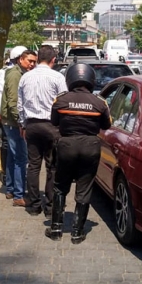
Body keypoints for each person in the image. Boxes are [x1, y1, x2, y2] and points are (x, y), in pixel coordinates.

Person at [47, 63, 111, 243]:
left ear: (70, 79)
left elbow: (54, 122)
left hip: (66, 145)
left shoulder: (60, 100)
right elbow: (107, 125)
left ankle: (56, 229)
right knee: (85, 187)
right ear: (91, 79)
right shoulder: (100, 102)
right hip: (90, 146)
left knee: (60, 186)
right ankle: (77, 232)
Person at [17, 45, 67, 217]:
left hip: (31, 125)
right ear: (53, 60)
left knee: (33, 165)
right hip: (51, 126)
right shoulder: (58, 77)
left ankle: (33, 204)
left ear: (38, 58)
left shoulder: (25, 77)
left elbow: (20, 104)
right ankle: (50, 206)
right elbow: (63, 104)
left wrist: (23, 125)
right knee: (52, 166)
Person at [0, 48, 37, 205]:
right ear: (21, 59)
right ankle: (18, 196)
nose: (32, 64)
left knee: (12, 156)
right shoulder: (16, 75)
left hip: (10, 121)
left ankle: (10, 189)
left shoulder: (17, 72)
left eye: (34, 61)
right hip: (13, 122)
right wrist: (21, 123)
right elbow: (13, 102)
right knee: (21, 158)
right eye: (30, 61)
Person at [0, 50, 16, 195]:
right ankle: (6, 173)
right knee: (7, 144)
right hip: (7, 115)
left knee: (10, 145)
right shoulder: (4, 72)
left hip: (11, 114)